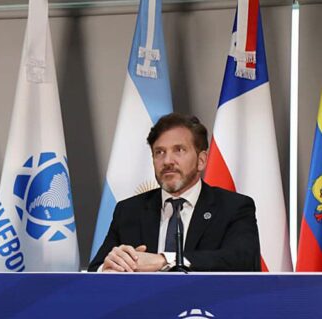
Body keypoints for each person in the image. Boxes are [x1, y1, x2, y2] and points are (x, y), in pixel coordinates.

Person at [88, 113, 260, 272]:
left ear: (201, 161)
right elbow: (95, 269)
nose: (167, 161)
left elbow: (243, 261)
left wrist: (164, 260)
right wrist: (109, 267)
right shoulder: (129, 211)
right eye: (159, 152)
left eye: (179, 150)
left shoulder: (233, 207)